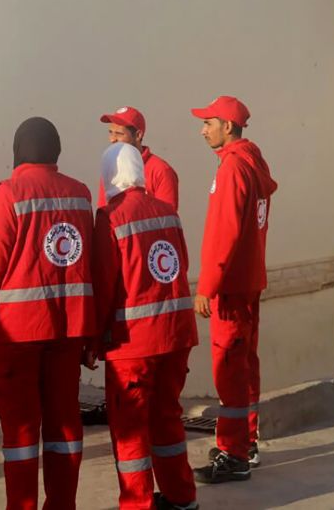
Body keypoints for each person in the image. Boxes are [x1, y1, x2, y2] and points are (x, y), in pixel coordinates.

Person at [0, 117, 95, 508]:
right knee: (65, 424)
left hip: (17, 333)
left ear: (18, 151)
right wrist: (92, 333)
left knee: (21, 433)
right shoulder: (80, 194)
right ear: (56, 151)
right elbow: (90, 264)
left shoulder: (10, 192)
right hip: (69, 329)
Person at [90, 143, 198, 510]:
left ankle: (137, 504)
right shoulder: (168, 213)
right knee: (168, 418)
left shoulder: (111, 218)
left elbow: (104, 285)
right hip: (177, 334)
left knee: (130, 430)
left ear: (109, 176)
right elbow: (178, 266)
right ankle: (182, 497)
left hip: (133, 344)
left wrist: (92, 338)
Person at [190, 96, 277, 484]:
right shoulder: (253, 163)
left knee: (228, 370)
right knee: (245, 367)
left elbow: (224, 234)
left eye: (209, 122)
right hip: (249, 282)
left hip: (230, 287)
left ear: (228, 126)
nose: (203, 129)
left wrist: (207, 286)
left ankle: (233, 453)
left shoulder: (232, 169)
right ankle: (247, 442)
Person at [97, 106, 179, 210]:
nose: (112, 139)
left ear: (138, 135)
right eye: (110, 132)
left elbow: (167, 218)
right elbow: (104, 209)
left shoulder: (161, 171)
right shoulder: (110, 167)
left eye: (119, 133)